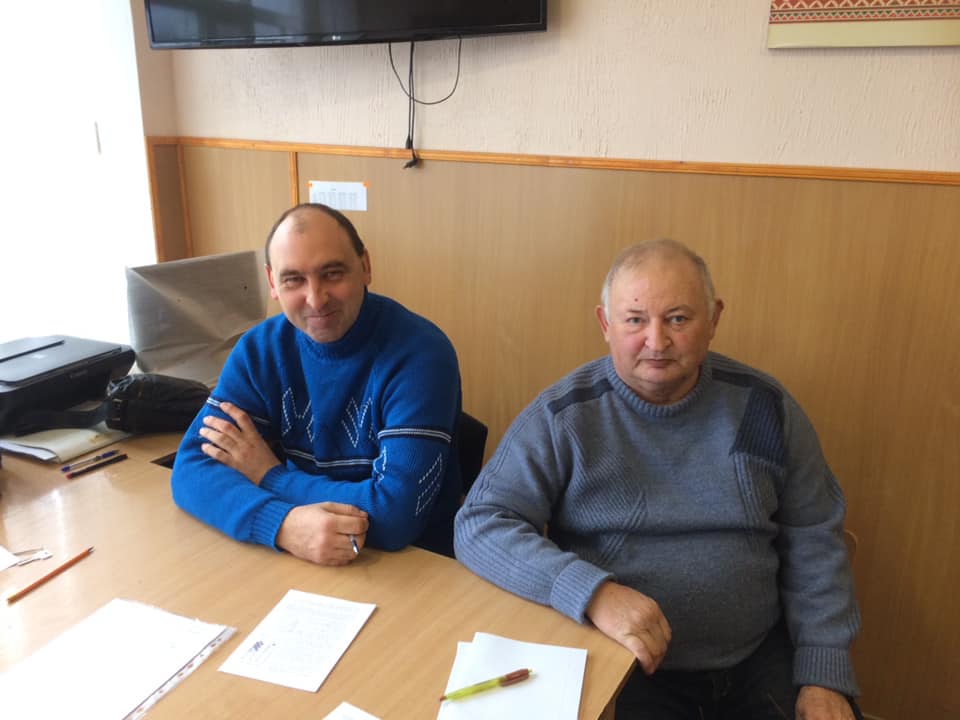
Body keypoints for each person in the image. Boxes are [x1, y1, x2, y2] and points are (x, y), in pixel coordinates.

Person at [454, 239, 862, 720]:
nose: (656, 341)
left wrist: (823, 674)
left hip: (759, 657)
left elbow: (815, 537)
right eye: (634, 320)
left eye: (678, 319)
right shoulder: (564, 416)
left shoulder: (765, 408)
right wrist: (592, 593)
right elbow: (480, 523)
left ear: (714, 319)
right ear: (605, 324)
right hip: (624, 662)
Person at [171, 203, 462, 565]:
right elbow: (191, 470)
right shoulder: (261, 350)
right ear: (272, 282)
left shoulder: (420, 354)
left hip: (414, 565)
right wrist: (281, 525)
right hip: (304, 553)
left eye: (332, 273)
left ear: (365, 266)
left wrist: (270, 476)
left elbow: (394, 516)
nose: (316, 299)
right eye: (293, 279)